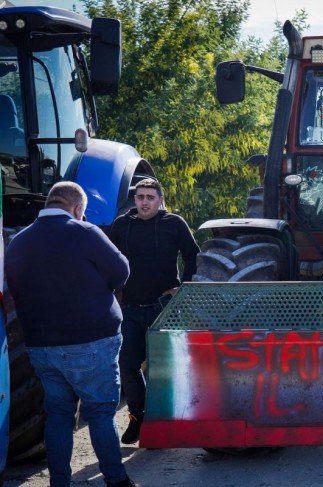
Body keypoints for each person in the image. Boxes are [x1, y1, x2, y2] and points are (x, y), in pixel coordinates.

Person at [5, 182, 135, 487]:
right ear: (78, 209)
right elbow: (121, 272)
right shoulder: (85, 233)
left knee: (59, 415)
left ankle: (59, 482)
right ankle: (116, 480)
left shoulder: (18, 242)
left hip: (41, 346)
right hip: (91, 343)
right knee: (101, 413)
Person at [109, 178, 200, 445]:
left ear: (160, 199)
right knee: (127, 366)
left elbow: (193, 255)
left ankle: (165, 425)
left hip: (163, 307)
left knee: (164, 370)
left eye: (150, 197)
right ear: (134, 200)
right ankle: (138, 417)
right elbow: (109, 258)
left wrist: (182, 288)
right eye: (140, 197)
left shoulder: (174, 223)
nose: (144, 201)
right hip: (129, 308)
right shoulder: (122, 225)